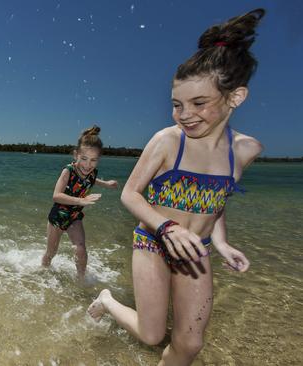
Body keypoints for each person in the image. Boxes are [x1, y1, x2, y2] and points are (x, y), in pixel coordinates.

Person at [88, 9, 265, 365]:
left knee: (190, 344)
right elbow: (130, 194)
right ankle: (107, 300)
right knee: (153, 334)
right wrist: (166, 227)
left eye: (199, 103)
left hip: (196, 251)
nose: (184, 114)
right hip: (152, 242)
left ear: (235, 97)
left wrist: (221, 242)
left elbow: (215, 204)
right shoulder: (168, 141)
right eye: (176, 104)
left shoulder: (245, 150)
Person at [41, 125, 118, 281]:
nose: (88, 165)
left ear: (98, 159)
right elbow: (56, 196)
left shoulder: (91, 172)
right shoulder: (68, 171)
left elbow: (91, 180)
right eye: (84, 159)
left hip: (75, 216)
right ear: (76, 155)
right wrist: (81, 200)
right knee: (51, 252)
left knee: (80, 248)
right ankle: (42, 273)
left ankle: (81, 280)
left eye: (93, 160)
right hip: (58, 217)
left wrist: (106, 184)